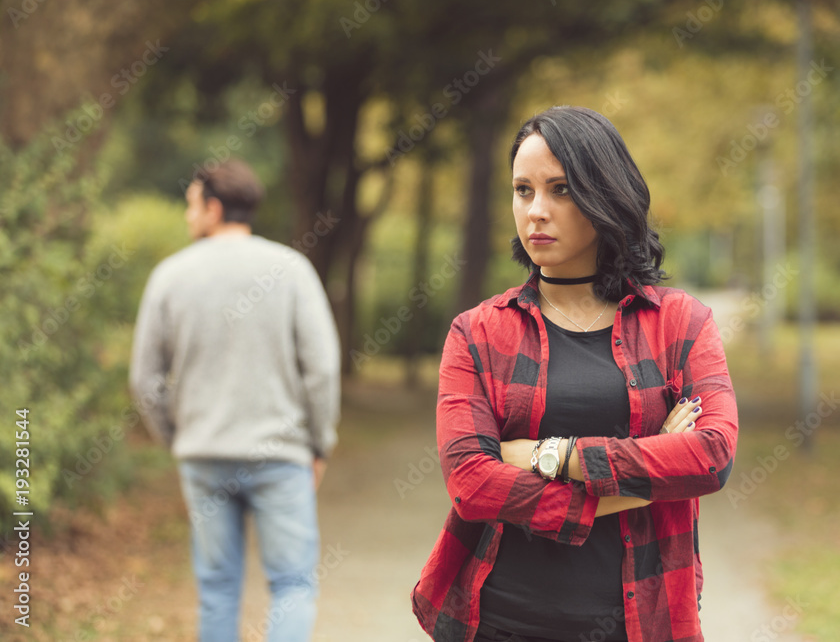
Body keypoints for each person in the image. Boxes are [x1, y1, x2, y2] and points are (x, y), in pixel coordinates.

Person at [411, 106, 738, 642]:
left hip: (642, 621)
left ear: (605, 194)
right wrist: (642, 485)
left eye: (560, 189)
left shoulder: (679, 323)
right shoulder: (478, 333)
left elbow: (713, 455)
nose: (536, 211)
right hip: (498, 622)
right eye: (523, 190)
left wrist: (553, 455)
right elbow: (471, 484)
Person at [129, 158, 340, 642]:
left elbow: (145, 378)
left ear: (214, 207)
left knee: (218, 587)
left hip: (203, 456)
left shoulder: (170, 276)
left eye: (190, 205)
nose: (187, 217)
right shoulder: (292, 270)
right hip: (280, 456)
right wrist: (318, 444)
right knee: (291, 583)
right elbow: (323, 369)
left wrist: (178, 436)